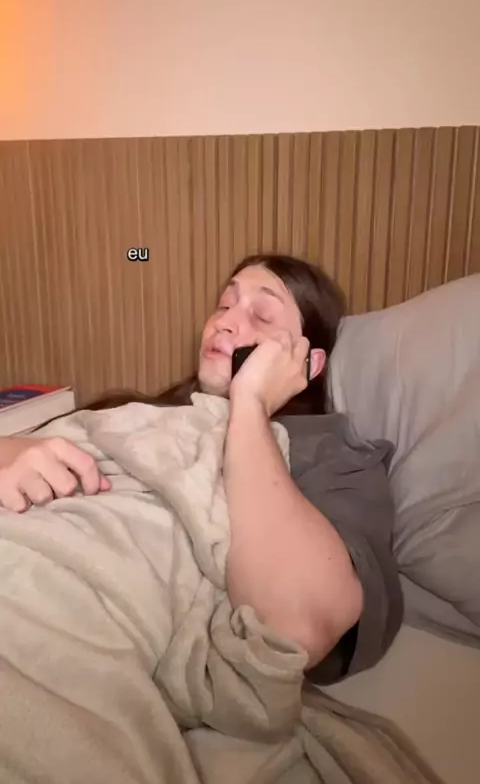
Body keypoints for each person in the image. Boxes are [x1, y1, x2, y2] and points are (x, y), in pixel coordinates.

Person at [0, 253, 403, 684]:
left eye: (262, 315)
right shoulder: (130, 412)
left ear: (308, 363)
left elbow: (297, 627)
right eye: (224, 304)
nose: (224, 322)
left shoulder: (333, 457)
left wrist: (250, 403)